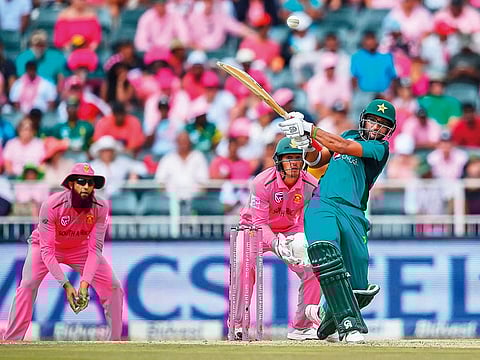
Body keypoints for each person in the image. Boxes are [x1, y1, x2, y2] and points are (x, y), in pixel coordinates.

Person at [278, 99, 397, 343]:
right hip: (325, 203)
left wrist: (310, 129)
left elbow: (342, 146)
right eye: (373, 121)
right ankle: (349, 326)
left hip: (354, 214)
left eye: (383, 125)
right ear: (364, 119)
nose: (376, 128)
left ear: (388, 131)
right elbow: (316, 160)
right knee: (326, 252)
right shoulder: (348, 133)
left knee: (359, 290)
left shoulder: (380, 149)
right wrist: (305, 144)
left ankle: (321, 312)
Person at [2, 163, 124, 341]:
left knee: (114, 286)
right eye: (81, 181)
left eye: (91, 183)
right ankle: (12, 340)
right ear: (71, 184)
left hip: (80, 249)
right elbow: (47, 251)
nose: (86, 187)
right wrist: (66, 285)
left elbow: (95, 249)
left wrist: (84, 284)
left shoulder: (100, 206)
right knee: (27, 285)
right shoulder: (52, 204)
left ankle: (116, 341)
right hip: (44, 246)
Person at [233, 137, 321, 341]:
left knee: (313, 269)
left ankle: (302, 327)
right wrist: (275, 243)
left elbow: (318, 213)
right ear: (278, 161)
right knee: (243, 265)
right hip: (252, 229)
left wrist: (304, 238)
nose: (293, 163)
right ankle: (239, 324)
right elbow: (260, 222)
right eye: (288, 158)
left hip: (290, 230)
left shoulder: (311, 184)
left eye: (297, 158)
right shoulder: (262, 183)